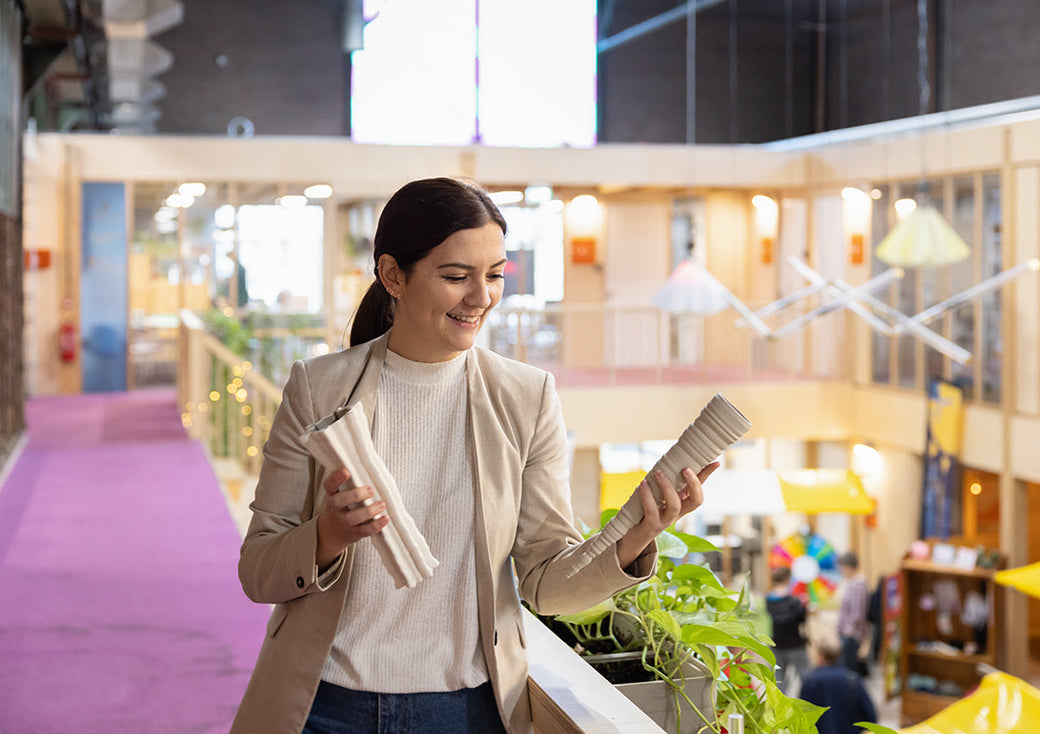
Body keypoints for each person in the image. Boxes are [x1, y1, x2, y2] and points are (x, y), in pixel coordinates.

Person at [229, 176, 719, 734]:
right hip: (324, 705)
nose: (481, 297)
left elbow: (544, 582)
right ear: (393, 275)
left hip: (464, 711)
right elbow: (258, 569)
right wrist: (328, 537)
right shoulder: (318, 389)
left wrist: (634, 538)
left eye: (494, 276)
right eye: (456, 276)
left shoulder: (526, 398)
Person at [799, 639, 877, 734]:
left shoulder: (810, 681)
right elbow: (870, 716)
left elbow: (801, 716)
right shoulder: (852, 680)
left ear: (821, 655)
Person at [766, 566, 810, 695]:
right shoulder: (794, 601)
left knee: (779, 680)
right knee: (805, 676)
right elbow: (801, 620)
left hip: (777, 643)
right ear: (787, 579)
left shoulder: (768, 600)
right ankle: (810, 703)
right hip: (795, 644)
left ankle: (782, 709)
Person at [836, 551, 869, 675]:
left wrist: (849, 631)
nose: (841, 571)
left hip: (851, 634)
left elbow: (857, 611)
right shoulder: (850, 583)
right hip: (845, 632)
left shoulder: (858, 585)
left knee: (848, 667)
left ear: (849, 567)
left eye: (842, 568)